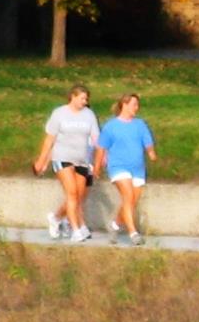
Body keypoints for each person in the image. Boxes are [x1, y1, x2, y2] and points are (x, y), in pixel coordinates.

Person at [31, 83, 99, 242]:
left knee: (79, 196)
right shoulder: (59, 114)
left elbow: (96, 138)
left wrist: (100, 158)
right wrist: (42, 160)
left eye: (86, 99)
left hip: (81, 159)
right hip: (62, 157)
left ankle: (56, 218)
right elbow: (50, 139)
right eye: (82, 98)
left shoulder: (89, 115)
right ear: (73, 97)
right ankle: (75, 230)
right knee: (72, 193)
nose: (84, 102)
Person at [95, 92, 156, 245]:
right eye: (133, 104)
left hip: (137, 168)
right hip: (118, 166)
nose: (136, 108)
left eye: (137, 105)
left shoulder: (140, 124)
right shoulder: (111, 126)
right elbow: (101, 148)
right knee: (128, 196)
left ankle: (115, 224)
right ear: (124, 105)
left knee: (132, 201)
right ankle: (133, 233)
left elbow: (147, 142)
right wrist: (97, 167)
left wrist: (151, 153)